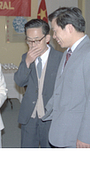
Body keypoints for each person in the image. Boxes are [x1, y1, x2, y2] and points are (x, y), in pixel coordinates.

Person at [42, 7, 90, 148]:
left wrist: (86, 136)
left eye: (55, 31)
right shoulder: (69, 51)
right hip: (64, 128)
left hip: (79, 136)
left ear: (69, 28)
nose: (54, 36)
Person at [14, 19, 63, 148]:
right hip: (29, 115)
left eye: (37, 40)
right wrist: (27, 62)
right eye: (29, 40)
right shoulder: (26, 57)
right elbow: (19, 81)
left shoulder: (60, 58)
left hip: (51, 116)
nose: (33, 44)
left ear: (47, 38)